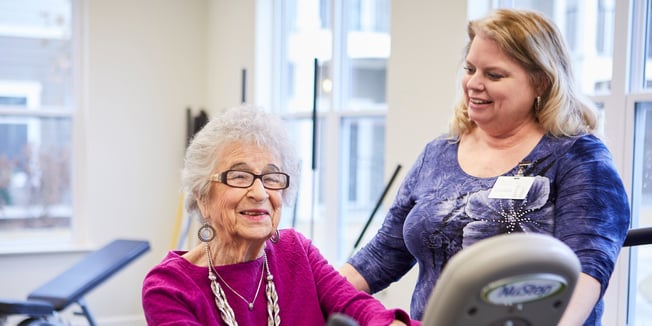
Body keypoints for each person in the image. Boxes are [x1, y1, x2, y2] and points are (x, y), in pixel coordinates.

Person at [340, 8, 630, 326]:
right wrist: (309, 292)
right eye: (470, 69)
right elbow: (383, 254)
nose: (473, 84)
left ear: (542, 82)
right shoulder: (438, 155)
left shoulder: (578, 157)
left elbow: (587, 270)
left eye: (494, 75)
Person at [142, 105, 416, 326]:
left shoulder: (296, 251)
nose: (260, 192)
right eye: (239, 176)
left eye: (271, 177)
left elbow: (354, 306)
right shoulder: (170, 287)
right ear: (203, 196)